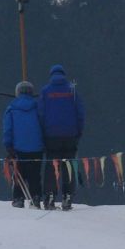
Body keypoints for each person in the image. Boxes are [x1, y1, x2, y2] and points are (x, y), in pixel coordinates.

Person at [38, 64, 85, 210]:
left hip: (51, 135)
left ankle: (50, 195)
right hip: (71, 135)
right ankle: (68, 196)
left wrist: (43, 132)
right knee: (68, 165)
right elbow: (80, 113)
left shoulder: (45, 91)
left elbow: (41, 114)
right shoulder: (73, 90)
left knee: (52, 166)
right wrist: (78, 131)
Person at [2, 81, 44, 209]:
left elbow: (8, 129)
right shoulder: (38, 108)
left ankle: (18, 198)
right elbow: (43, 126)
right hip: (36, 148)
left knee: (19, 174)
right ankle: (36, 197)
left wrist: (8, 146)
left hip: (18, 148)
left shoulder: (11, 108)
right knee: (35, 175)